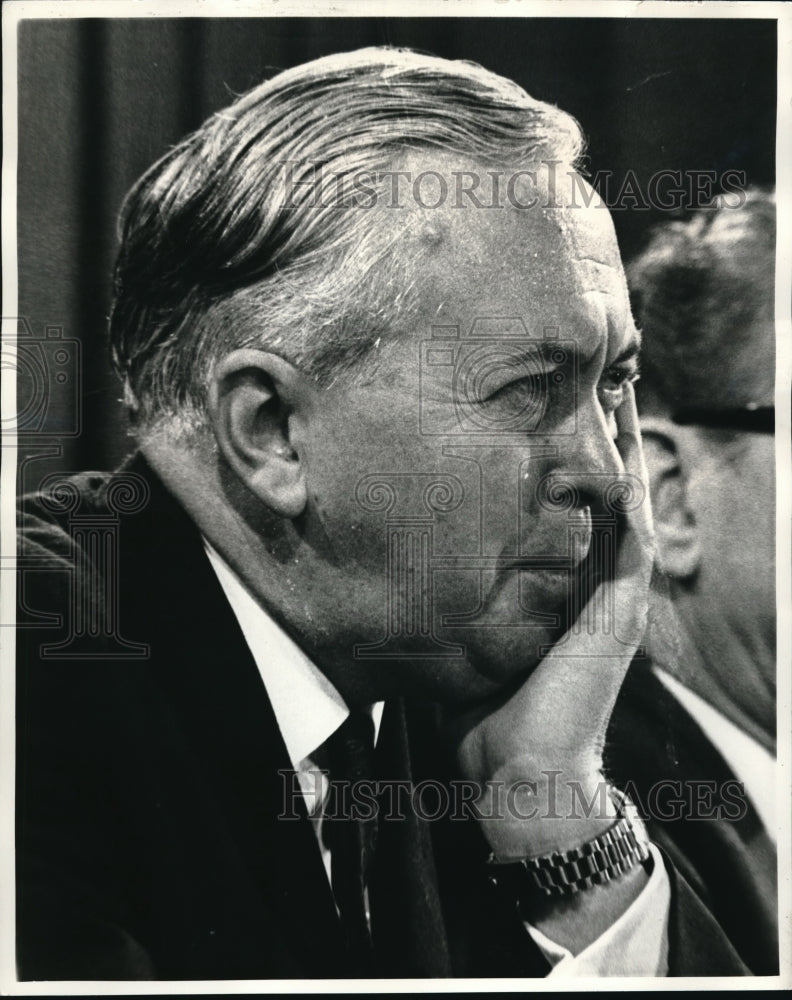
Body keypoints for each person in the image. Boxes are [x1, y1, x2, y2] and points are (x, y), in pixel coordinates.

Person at [15, 48, 772, 980]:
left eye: (613, 382)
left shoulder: (451, 677)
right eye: (532, 390)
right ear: (273, 430)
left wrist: (551, 808)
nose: (605, 472)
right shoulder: (33, 677)